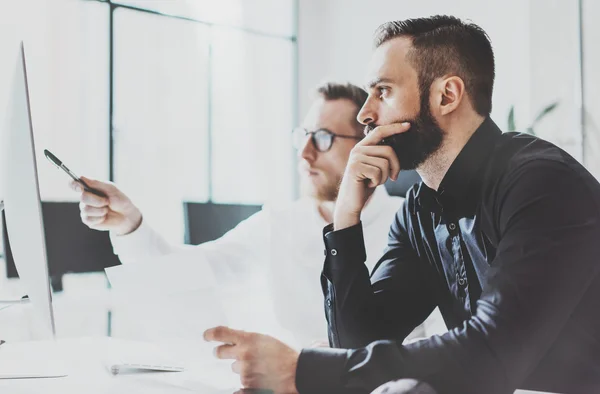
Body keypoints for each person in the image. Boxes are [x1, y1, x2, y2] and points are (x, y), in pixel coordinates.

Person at [203, 15, 600, 394]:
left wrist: (301, 369)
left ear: (446, 95)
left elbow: (490, 353)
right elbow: (358, 343)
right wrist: (345, 217)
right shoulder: (417, 212)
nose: (365, 114)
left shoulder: (543, 184)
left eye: (384, 91)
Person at [73, 82, 444, 347]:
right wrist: (128, 225)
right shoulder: (278, 223)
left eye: (324, 139)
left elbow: (444, 340)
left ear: (369, 144)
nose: (305, 154)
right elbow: (189, 270)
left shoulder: (412, 224)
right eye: (303, 136)